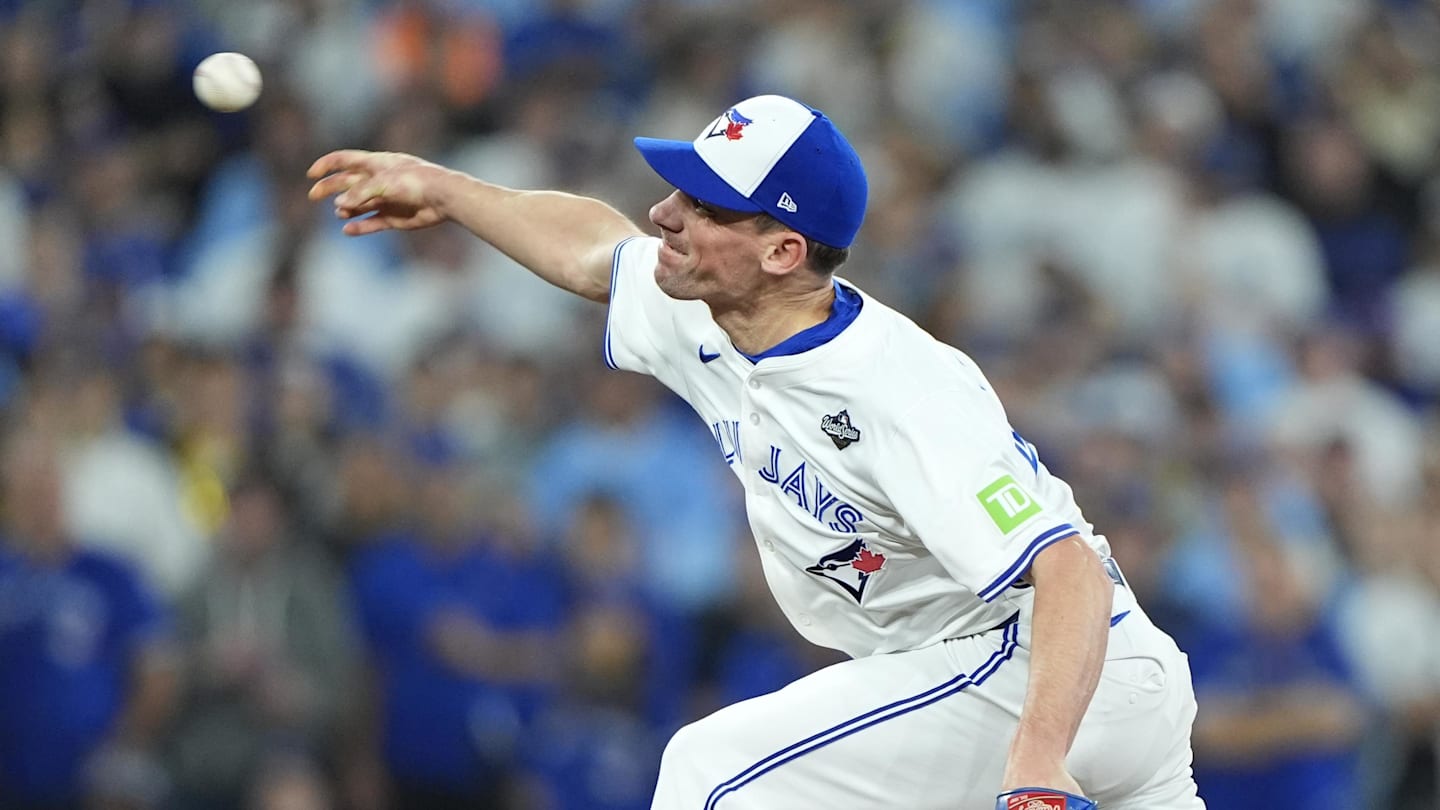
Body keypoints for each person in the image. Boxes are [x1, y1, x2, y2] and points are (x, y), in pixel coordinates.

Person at [308, 94, 1204, 809]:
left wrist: (1038, 762)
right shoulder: (701, 306)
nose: (666, 213)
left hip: (1040, 666)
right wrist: (446, 188)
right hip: (1001, 680)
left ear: (782, 249)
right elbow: (593, 248)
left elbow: (1071, 571)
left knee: (713, 775)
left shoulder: (899, 389)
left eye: (702, 205)